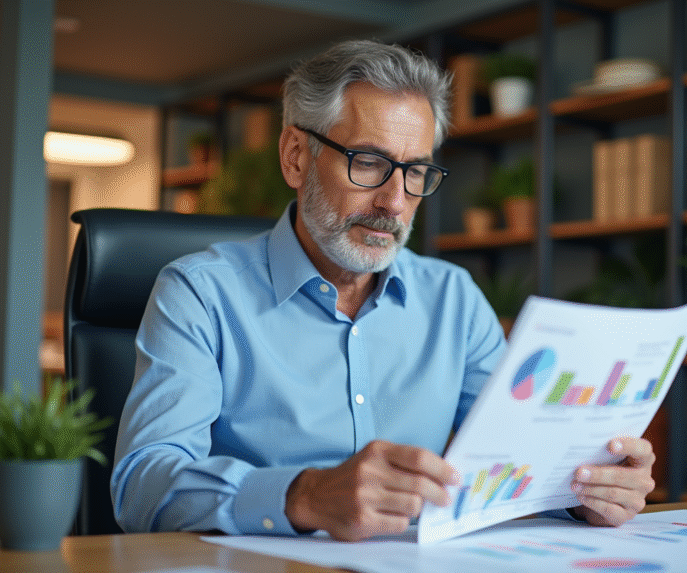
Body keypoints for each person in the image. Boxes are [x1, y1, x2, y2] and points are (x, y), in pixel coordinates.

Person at [111, 39, 656, 542]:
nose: (395, 202)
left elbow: (513, 460)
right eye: (369, 162)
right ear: (296, 156)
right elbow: (142, 486)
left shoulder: (454, 299)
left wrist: (585, 490)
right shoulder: (200, 294)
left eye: (415, 171)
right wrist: (302, 495)